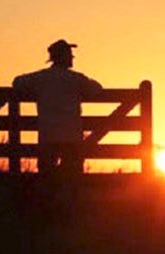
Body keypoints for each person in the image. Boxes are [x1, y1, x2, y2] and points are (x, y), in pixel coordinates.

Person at [12, 39, 102, 175]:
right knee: (73, 177)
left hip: (48, 136)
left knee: (47, 177)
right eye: (69, 54)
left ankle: (48, 196)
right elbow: (96, 89)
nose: (72, 57)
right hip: (72, 138)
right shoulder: (76, 79)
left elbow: (17, 82)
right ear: (63, 57)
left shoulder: (40, 78)